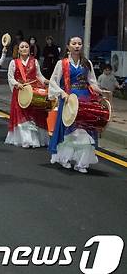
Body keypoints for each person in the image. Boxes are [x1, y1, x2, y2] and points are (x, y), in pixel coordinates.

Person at [48, 36, 103, 173]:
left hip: (85, 99)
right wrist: (62, 93)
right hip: (69, 100)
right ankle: (64, 158)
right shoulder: (62, 63)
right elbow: (54, 81)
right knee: (70, 131)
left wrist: (100, 91)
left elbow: (92, 81)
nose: (77, 46)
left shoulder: (87, 63)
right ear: (68, 46)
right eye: (74, 43)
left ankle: (81, 163)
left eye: (79, 43)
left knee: (84, 130)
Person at [5, 41, 50, 148]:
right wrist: (17, 84)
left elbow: (39, 76)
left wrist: (45, 82)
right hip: (20, 92)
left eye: (26, 47)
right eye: (22, 47)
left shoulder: (34, 62)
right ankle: (26, 140)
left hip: (33, 92)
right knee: (21, 115)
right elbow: (10, 77)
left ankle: (35, 139)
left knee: (33, 115)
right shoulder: (14, 63)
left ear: (29, 49)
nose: (24, 48)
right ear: (19, 50)